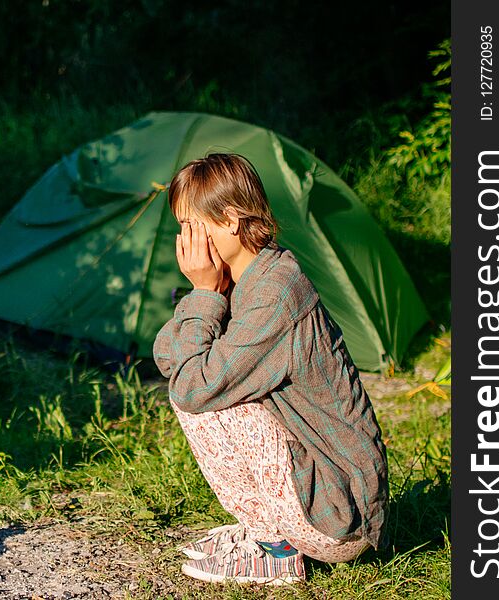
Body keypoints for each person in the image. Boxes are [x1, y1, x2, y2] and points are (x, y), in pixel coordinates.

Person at [153, 153, 388, 586]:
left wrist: (205, 295)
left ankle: (275, 550)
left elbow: (189, 386)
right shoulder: (245, 276)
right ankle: (270, 532)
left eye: (189, 224)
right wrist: (206, 293)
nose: (183, 240)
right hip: (326, 493)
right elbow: (168, 354)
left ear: (229, 220)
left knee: (203, 400)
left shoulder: (274, 294)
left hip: (341, 516)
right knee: (201, 381)